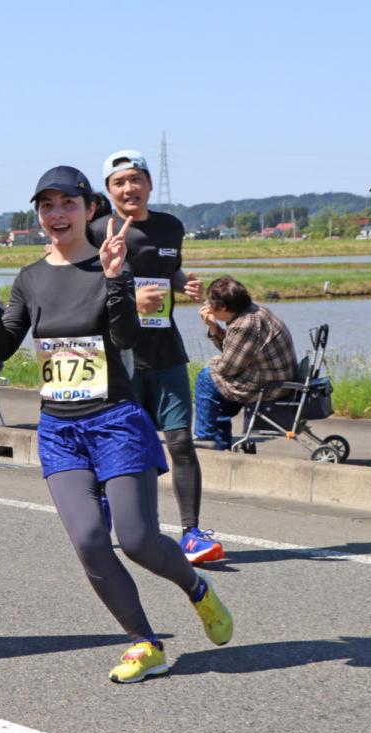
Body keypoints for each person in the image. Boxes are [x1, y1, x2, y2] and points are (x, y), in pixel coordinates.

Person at [0, 166, 232, 684]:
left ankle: (197, 590)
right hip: (59, 430)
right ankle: (144, 642)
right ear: (39, 215)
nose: (56, 214)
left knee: (136, 539)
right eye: (46, 205)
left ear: (90, 210)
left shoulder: (113, 266)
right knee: (89, 541)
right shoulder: (31, 277)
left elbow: (128, 338)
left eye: (67, 203)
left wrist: (115, 281)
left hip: (114, 421)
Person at [87, 150, 223, 564]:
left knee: (180, 441)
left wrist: (186, 284)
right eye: (119, 182)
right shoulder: (97, 231)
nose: (129, 188)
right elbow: (84, 290)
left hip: (166, 352)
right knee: (121, 445)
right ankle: (107, 513)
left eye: (136, 180)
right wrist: (131, 297)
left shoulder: (170, 227)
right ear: (109, 191)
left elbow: (171, 269)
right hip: (119, 356)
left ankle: (191, 534)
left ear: (148, 183)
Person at [194, 276, 297, 450]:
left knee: (206, 378)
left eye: (210, 303)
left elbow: (228, 368)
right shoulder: (253, 310)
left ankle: (206, 437)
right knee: (216, 386)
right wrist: (214, 328)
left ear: (224, 307)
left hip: (270, 385)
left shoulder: (245, 324)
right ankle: (219, 444)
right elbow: (236, 351)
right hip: (272, 377)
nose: (207, 307)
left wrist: (212, 364)